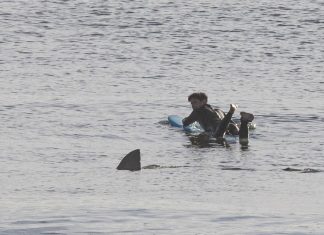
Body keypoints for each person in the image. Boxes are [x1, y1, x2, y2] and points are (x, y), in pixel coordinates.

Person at [182, 92, 254, 144]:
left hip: (219, 129)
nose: (193, 105)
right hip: (230, 126)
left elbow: (185, 123)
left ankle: (231, 112)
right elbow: (231, 123)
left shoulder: (197, 112)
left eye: (195, 102)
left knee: (218, 136)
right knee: (241, 137)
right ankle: (244, 121)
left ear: (203, 101)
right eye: (191, 103)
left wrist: (184, 119)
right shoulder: (218, 110)